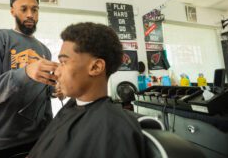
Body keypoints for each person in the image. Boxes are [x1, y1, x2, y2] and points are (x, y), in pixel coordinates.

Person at [28, 22, 145, 158]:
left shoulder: (114, 129)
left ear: (96, 67)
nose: (57, 72)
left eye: (64, 62)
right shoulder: (72, 106)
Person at [0, 0, 60, 158]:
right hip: (0, 145)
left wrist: (55, 89)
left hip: (38, 140)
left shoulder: (44, 50)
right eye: (23, 9)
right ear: (12, 11)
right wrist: (25, 72)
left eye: (34, 10)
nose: (30, 14)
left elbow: (43, 93)